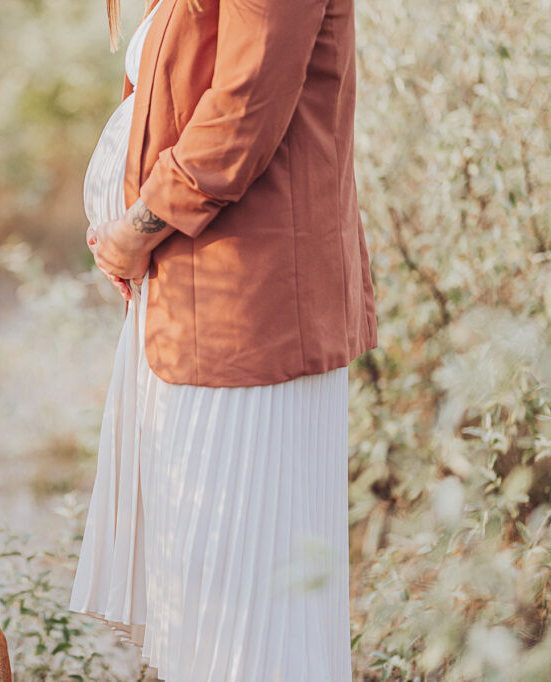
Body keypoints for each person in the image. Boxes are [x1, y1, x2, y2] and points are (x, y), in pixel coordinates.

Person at [69, 0, 379, 679]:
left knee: (248, 596)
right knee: (209, 589)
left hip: (249, 310)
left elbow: (243, 111)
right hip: (194, 298)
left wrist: (135, 230)